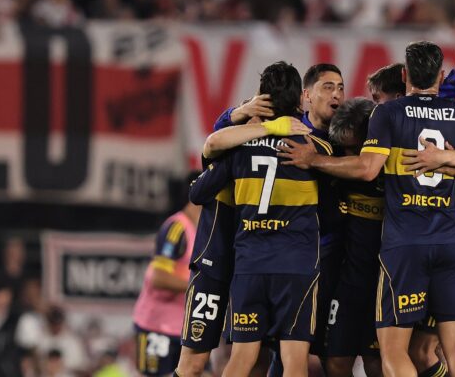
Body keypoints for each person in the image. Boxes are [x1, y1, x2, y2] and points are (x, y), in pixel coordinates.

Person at [278, 41, 455, 377]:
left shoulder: (389, 119)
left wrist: (313, 160)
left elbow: (368, 167)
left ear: (403, 80)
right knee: (449, 350)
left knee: (405, 353)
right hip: (448, 249)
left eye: (376, 98)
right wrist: (448, 159)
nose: (371, 105)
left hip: (406, 249)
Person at [187, 61, 334, 377]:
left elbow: (199, 188)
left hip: (250, 265)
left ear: (262, 98)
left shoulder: (237, 147)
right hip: (296, 266)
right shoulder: (316, 149)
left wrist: (241, 121)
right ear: (300, 101)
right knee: (294, 361)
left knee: (241, 358)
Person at [133, 180, 201, 376]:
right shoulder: (177, 228)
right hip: (157, 326)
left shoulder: (206, 230)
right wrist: (199, 287)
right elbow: (159, 278)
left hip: (185, 328)